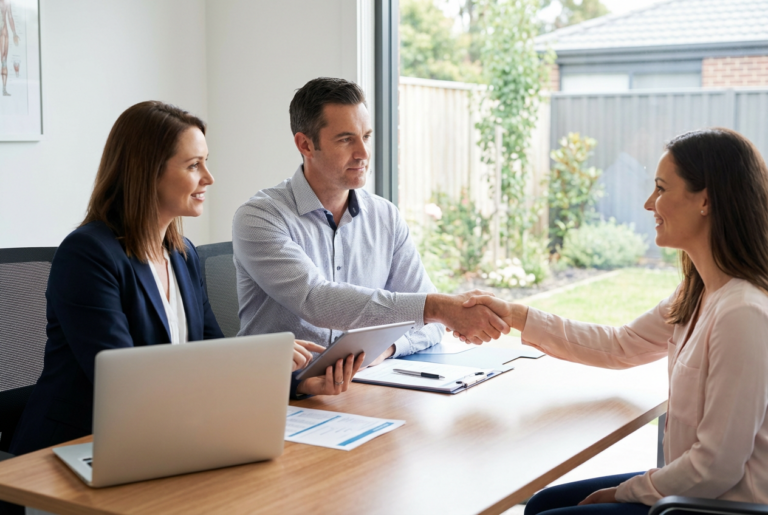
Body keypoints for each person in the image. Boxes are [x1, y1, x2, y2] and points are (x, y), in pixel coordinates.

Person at [10, 101, 355, 456]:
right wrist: (257, 358)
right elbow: (123, 383)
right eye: (194, 165)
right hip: (78, 447)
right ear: (146, 172)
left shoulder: (182, 254)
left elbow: (212, 354)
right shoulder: (87, 255)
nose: (209, 177)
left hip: (163, 434)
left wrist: (292, 381)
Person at [459, 128, 768, 512]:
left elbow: (717, 467)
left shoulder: (744, 314)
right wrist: (518, 315)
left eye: (660, 189)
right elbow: (619, 345)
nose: (648, 203)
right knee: (542, 504)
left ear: (705, 200)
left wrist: (628, 491)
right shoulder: (698, 292)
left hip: (719, 505)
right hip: (691, 490)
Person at [232, 77, 509, 397]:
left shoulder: (385, 217)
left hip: (360, 391)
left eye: (366, 136)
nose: (363, 152)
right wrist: (437, 306)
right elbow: (316, 301)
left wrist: (387, 348)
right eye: (346, 139)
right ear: (305, 145)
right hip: (274, 397)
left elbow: (431, 325)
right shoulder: (260, 217)